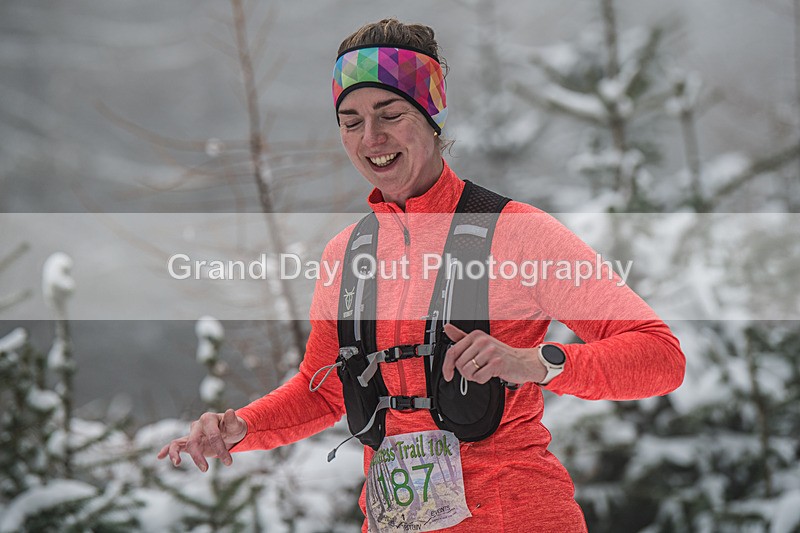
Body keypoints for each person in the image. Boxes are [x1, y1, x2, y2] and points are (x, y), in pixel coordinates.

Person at [159, 18, 685, 532]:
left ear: (432, 117)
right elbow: (324, 391)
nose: (372, 137)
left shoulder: (516, 232)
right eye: (351, 121)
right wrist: (240, 427)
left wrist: (536, 362)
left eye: (390, 114)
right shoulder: (348, 254)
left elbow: (660, 357)